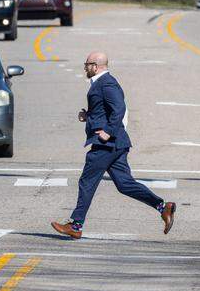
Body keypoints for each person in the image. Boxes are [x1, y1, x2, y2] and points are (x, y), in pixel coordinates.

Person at [51, 52, 176, 240]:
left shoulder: (107, 83)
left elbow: (119, 108)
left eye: (87, 64)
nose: (85, 67)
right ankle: (162, 207)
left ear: (96, 66)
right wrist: (89, 115)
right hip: (117, 143)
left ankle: (76, 225)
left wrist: (108, 131)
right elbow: (107, 109)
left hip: (107, 144)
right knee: (125, 184)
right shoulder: (101, 83)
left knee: (87, 181)